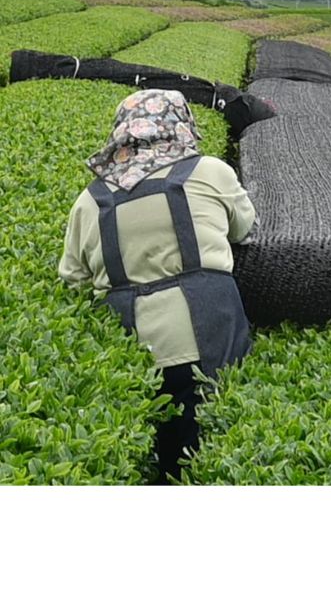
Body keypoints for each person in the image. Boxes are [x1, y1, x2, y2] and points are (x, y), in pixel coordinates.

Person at [58, 88, 257, 483]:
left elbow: (73, 279)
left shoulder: (89, 200)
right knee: (210, 446)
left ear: (120, 134)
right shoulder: (209, 172)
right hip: (208, 334)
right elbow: (243, 227)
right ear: (181, 127)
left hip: (130, 347)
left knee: (150, 452)